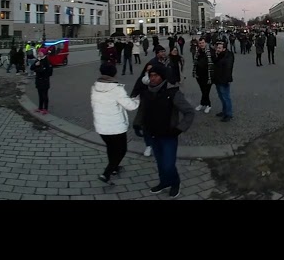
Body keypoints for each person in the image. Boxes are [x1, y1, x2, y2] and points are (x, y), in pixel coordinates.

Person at [134, 63, 195, 198]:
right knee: (160, 163)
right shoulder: (146, 92)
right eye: (150, 76)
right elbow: (142, 110)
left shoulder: (173, 93)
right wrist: (137, 124)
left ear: (162, 77)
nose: (152, 78)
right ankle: (164, 182)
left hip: (169, 135)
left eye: (155, 75)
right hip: (152, 134)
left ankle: (175, 183)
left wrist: (179, 129)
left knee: (168, 164)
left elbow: (189, 112)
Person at [91, 63, 140, 185]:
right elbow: (131, 106)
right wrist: (137, 99)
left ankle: (114, 168)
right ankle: (106, 173)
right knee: (122, 150)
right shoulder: (117, 89)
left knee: (111, 148)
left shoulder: (94, 87)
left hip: (101, 126)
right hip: (116, 127)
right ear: (114, 73)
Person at [213, 41, 235, 122]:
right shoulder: (219, 54)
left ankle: (228, 114)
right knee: (221, 97)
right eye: (217, 48)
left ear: (224, 49)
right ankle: (224, 111)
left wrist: (227, 80)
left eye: (219, 48)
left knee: (226, 97)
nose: (217, 49)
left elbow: (228, 69)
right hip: (218, 79)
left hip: (224, 80)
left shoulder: (228, 56)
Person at [192, 37, 214, 113]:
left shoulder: (210, 51)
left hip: (208, 75)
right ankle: (203, 103)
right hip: (199, 74)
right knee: (203, 90)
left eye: (203, 43)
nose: (201, 44)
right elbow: (195, 62)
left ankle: (208, 105)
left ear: (206, 43)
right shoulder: (197, 52)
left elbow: (213, 62)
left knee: (206, 91)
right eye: (200, 43)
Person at [31, 48, 53, 114]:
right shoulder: (38, 60)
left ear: (44, 53)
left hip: (44, 81)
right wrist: (35, 65)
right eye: (39, 53)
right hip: (38, 81)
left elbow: (47, 72)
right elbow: (31, 68)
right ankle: (40, 108)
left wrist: (37, 69)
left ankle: (45, 108)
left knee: (45, 95)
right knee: (40, 95)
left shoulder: (47, 61)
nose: (39, 54)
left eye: (40, 53)